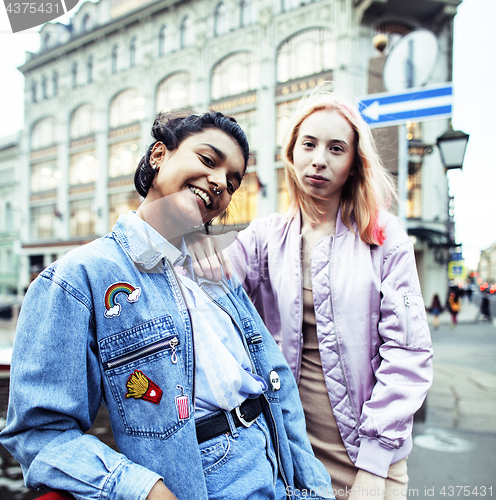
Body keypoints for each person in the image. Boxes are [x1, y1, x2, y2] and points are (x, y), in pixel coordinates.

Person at [0, 112, 334, 500]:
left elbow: (276, 383)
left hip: (274, 465)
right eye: (208, 161)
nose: (218, 184)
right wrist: (144, 489)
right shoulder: (78, 278)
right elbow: (39, 433)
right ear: (159, 154)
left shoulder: (215, 271)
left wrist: (313, 488)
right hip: (202, 481)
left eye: (231, 182)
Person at [188, 84, 433, 500]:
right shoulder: (265, 237)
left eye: (336, 149)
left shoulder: (385, 237)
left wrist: (373, 467)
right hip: (289, 453)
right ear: (292, 153)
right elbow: (201, 284)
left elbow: (408, 353)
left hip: (370, 458)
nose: (319, 159)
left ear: (355, 163)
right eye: (309, 144)